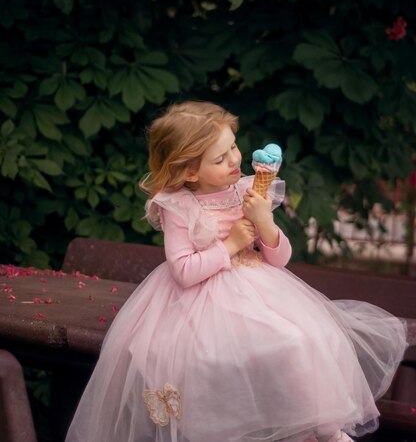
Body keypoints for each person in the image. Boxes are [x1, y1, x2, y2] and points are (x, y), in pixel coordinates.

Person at [65, 100, 407, 442]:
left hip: (259, 290)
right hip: (197, 303)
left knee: (302, 339)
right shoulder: (179, 206)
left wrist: (264, 221)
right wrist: (228, 246)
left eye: (233, 147)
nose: (234, 159)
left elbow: (279, 259)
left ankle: (320, 429)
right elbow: (183, 270)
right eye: (220, 157)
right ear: (189, 172)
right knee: (215, 360)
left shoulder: (247, 188)